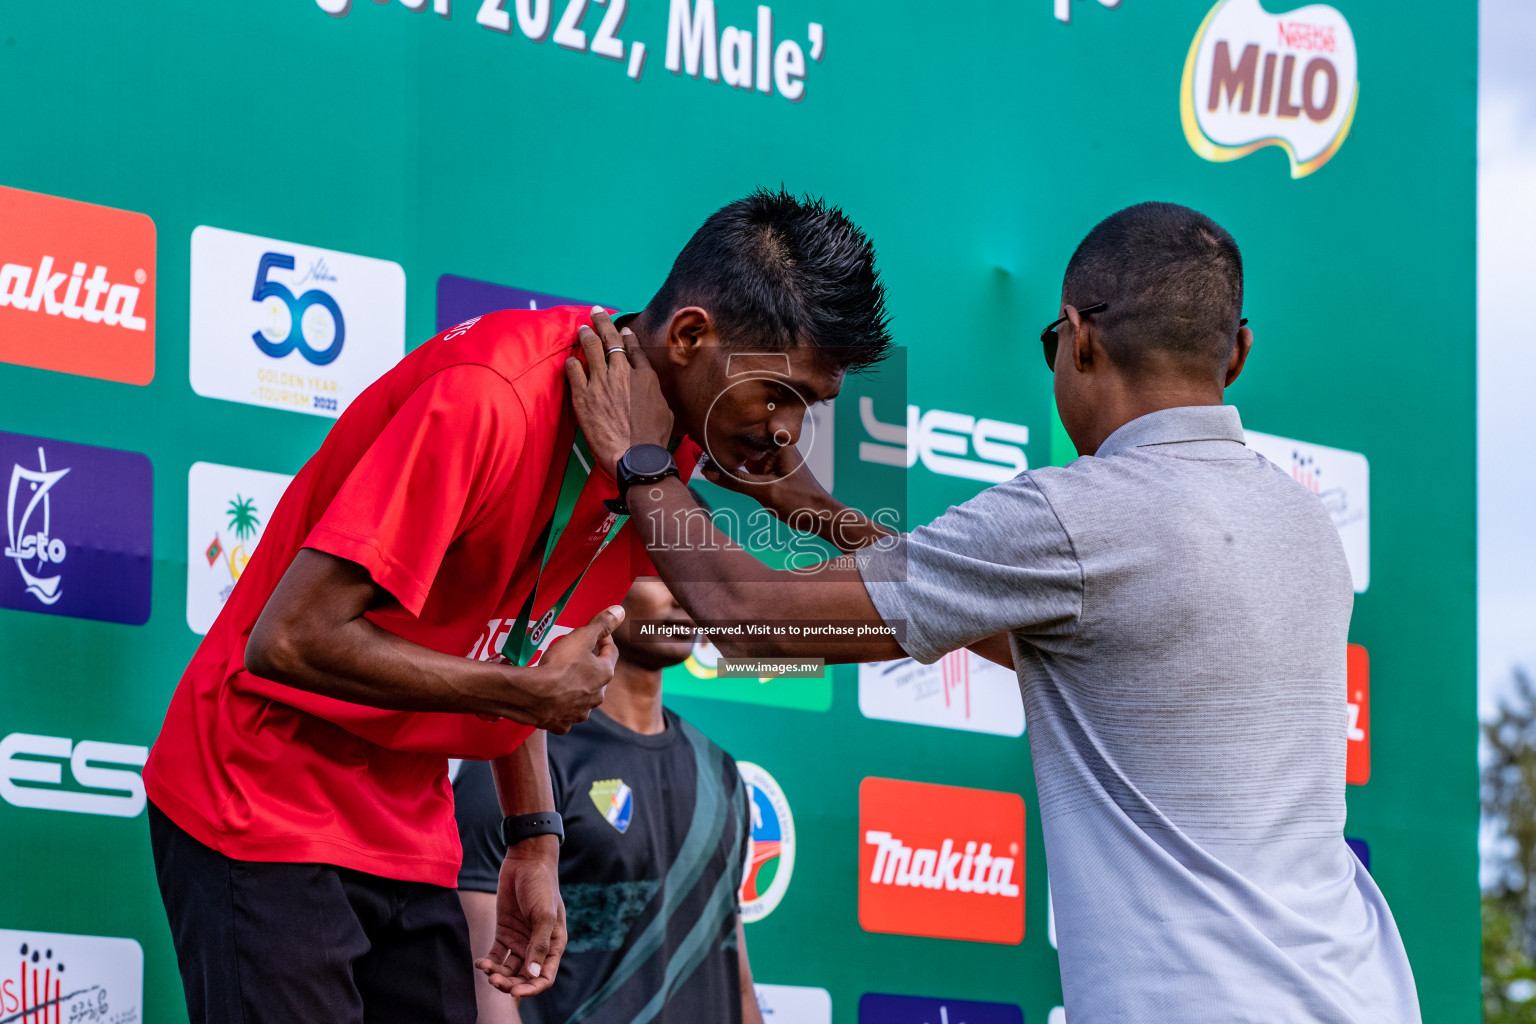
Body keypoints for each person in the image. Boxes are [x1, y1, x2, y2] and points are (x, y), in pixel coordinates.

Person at [566, 202, 1422, 1022]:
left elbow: (753, 616)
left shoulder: (1072, 517)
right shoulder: (1305, 525)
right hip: (1361, 992)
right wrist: (814, 510)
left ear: (1077, 341)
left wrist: (643, 463)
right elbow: (1051, 640)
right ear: (1234, 355)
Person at [142, 188, 891, 1024]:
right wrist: (516, 696)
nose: (789, 430)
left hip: (406, 812)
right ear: (689, 337)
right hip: (263, 790)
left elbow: (534, 621)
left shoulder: (656, 446)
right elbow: (288, 639)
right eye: (779, 396)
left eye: (808, 408)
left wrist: (534, 835)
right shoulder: (491, 398)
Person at [454, 569, 764, 1024]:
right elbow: (488, 985)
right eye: (658, 572)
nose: (684, 592)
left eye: (695, 571)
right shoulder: (516, 762)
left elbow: (735, 976)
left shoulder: (721, 770)